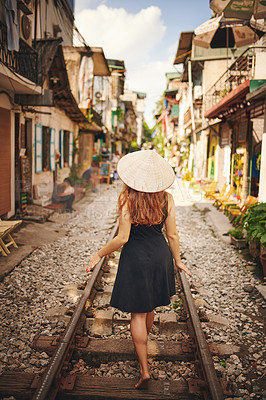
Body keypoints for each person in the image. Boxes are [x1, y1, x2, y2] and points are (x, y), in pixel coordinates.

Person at [86, 150, 192, 389]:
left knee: (137, 313)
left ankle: (144, 370)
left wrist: (98, 254)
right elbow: (172, 234)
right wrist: (178, 260)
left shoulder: (126, 199)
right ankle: (143, 343)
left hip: (135, 258)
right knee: (150, 305)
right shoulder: (167, 199)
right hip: (159, 256)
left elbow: (122, 238)